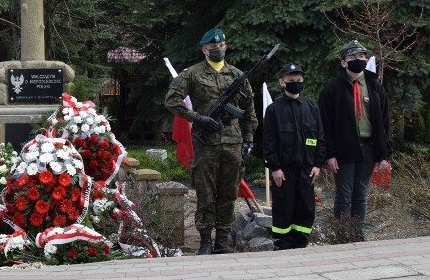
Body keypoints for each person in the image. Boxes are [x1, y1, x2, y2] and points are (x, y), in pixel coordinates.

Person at [165, 28, 258, 255]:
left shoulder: (238, 75)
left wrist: (248, 140)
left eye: (221, 45)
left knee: (228, 193)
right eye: (213, 46)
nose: (218, 49)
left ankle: (222, 241)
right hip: (206, 143)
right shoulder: (192, 74)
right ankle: (205, 240)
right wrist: (198, 118)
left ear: (226, 47)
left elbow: (249, 112)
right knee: (206, 194)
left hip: (233, 143)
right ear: (204, 49)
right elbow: (172, 100)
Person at [318, 40, 392, 232]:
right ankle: (342, 235)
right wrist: (329, 153)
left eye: (361, 56)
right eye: (353, 57)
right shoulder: (332, 89)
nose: (358, 60)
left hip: (368, 148)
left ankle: (357, 234)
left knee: (361, 194)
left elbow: (384, 121)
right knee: (343, 195)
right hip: (343, 150)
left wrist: (383, 154)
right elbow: (325, 124)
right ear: (343, 62)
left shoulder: (374, 84)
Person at [262, 63, 325, 250]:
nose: (296, 84)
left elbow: (320, 137)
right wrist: (275, 168)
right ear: (282, 82)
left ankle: (301, 243)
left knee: (306, 208)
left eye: (299, 80)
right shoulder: (274, 110)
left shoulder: (312, 107)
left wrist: (318, 165)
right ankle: (283, 245)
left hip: (307, 170)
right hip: (284, 171)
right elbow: (269, 142)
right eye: (291, 81)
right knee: (283, 207)